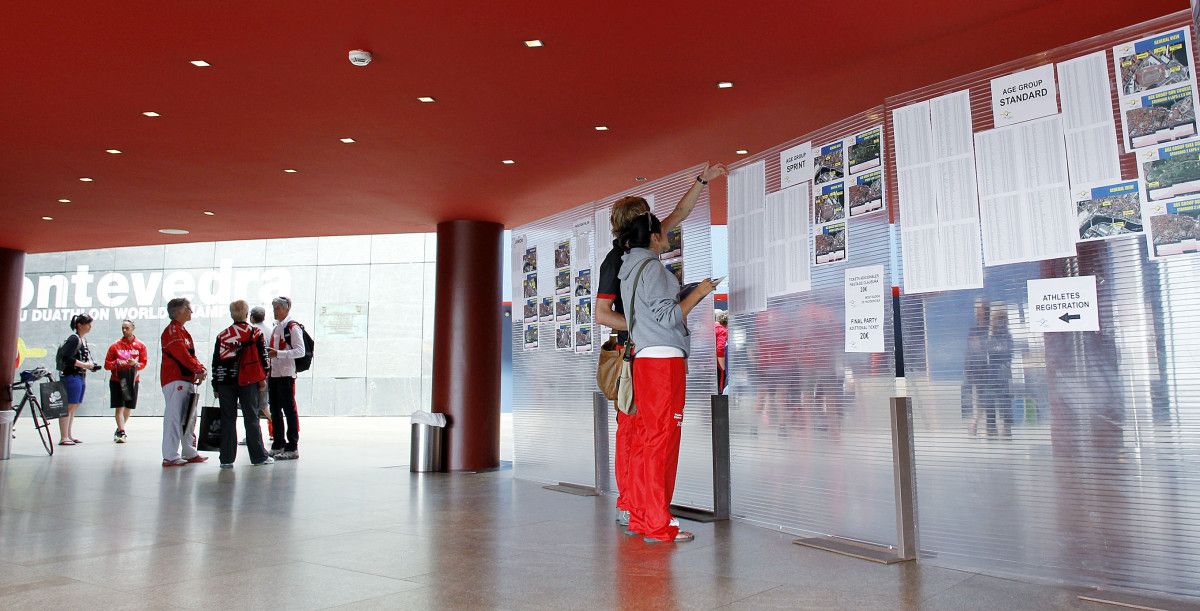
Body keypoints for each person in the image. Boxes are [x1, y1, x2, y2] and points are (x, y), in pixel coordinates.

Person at [596, 162, 725, 528]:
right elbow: (603, 314)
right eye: (650, 218)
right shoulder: (618, 261)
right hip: (635, 353)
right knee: (637, 429)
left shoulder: (643, 250)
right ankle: (632, 503)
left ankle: (641, 507)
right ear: (638, 225)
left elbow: (680, 213)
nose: (660, 224)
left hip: (646, 348)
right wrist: (644, 328)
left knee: (647, 432)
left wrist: (702, 181)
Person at [618, 211, 715, 543]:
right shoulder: (654, 269)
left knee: (648, 440)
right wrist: (699, 293)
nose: (668, 236)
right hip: (664, 362)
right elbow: (668, 317)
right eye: (664, 232)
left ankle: (644, 517)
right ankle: (659, 523)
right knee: (663, 441)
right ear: (655, 237)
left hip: (645, 360)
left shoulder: (629, 268)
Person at [211, 300, 273, 468]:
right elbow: (263, 358)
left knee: (227, 419)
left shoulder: (222, 335)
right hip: (249, 380)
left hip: (225, 382)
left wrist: (215, 385)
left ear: (231, 314)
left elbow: (216, 362)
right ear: (247, 314)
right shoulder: (255, 333)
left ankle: (226, 459)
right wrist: (263, 378)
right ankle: (259, 456)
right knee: (251, 417)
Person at [160, 297, 209, 467]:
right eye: (188, 308)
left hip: (186, 379)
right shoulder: (172, 331)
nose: (191, 311)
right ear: (179, 311)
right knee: (174, 417)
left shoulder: (182, 331)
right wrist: (198, 369)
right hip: (175, 379)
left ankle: (188, 451)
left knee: (189, 417)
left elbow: (190, 356)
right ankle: (170, 456)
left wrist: (200, 369)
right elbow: (182, 355)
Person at [267, 296, 306, 460]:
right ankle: (278, 443)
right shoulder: (277, 327)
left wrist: (279, 354)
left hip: (286, 374)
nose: (275, 311)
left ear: (286, 309)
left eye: (278, 308)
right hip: (274, 374)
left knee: (289, 410)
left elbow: (300, 351)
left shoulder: (292, 327)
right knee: (275, 410)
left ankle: (292, 446)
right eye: (274, 308)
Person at [55, 314, 102, 445]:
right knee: (68, 406)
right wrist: (84, 365)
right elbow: (66, 358)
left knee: (74, 406)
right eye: (87, 323)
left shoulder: (83, 340)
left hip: (80, 375)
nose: (90, 326)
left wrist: (90, 365)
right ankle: (63, 436)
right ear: (79, 325)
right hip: (71, 376)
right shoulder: (74, 339)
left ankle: (68, 434)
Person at [104, 319, 148, 443]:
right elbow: (107, 365)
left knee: (128, 407)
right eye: (122, 328)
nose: (124, 330)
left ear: (133, 328)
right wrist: (117, 363)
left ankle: (119, 428)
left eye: (127, 328)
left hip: (132, 380)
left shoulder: (140, 345)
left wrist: (136, 364)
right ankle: (122, 432)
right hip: (117, 380)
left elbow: (143, 363)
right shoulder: (115, 345)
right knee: (119, 407)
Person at [241, 306, 273, 447]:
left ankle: (253, 435)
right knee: (262, 404)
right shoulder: (270, 331)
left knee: (257, 405)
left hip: (254, 373)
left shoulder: (252, 331)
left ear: (251, 317)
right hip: (267, 372)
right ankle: (274, 430)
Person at [714, 310, 728, 394]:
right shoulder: (722, 330)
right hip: (717, 366)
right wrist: (723, 368)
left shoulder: (712, 328)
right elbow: (720, 349)